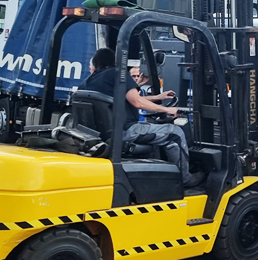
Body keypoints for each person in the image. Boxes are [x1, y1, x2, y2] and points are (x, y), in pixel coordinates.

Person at [81, 48, 195, 186]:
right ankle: (185, 180)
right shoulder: (117, 74)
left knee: (157, 133)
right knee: (175, 133)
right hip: (125, 130)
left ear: (96, 63)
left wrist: (158, 97)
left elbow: (130, 99)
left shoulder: (87, 82)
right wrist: (167, 109)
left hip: (101, 134)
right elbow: (137, 102)